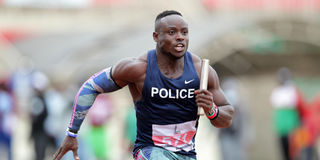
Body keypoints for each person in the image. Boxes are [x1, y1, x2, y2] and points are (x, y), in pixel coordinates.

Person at [53, 10, 234, 160]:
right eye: (172, 32)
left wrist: (211, 109)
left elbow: (226, 117)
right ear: (156, 36)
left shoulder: (202, 72)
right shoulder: (138, 68)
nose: (180, 38)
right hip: (149, 152)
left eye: (184, 32)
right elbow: (90, 87)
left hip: (186, 155)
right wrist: (72, 133)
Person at [270, 67, 301, 160]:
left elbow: (294, 103)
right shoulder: (277, 91)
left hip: (292, 127)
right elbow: (274, 102)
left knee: (294, 152)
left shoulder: (292, 90)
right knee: (284, 152)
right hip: (281, 127)